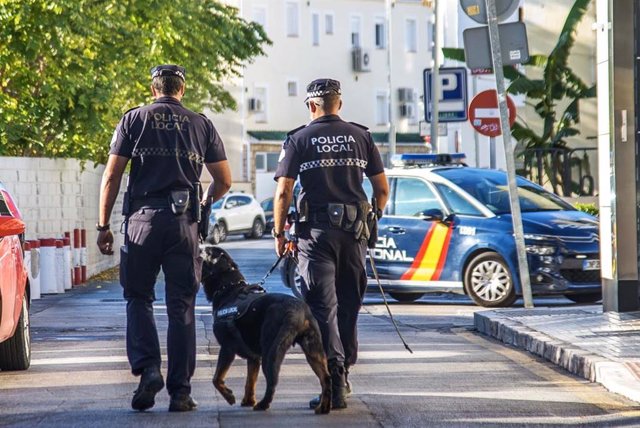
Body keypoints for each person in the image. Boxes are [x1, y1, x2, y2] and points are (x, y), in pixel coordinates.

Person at [97, 64, 231, 412]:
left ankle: (149, 370)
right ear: (181, 89)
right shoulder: (202, 124)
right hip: (184, 225)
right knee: (181, 305)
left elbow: (112, 176)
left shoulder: (134, 119)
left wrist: (102, 226)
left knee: (138, 297)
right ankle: (181, 392)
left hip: (142, 221)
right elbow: (224, 180)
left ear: (153, 88)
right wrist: (204, 202)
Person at [272, 78, 389, 409]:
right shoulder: (362, 137)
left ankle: (333, 378)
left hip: (316, 237)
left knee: (323, 308)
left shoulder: (298, 139)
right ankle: (344, 372)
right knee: (349, 305)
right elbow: (381, 189)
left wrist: (279, 234)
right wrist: (373, 217)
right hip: (354, 236)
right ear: (339, 103)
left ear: (311, 106)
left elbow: (284, 191)